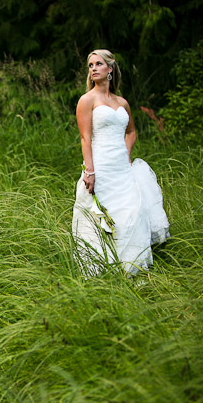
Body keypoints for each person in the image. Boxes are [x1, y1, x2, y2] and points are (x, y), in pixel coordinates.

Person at [72, 49, 170, 276]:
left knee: (131, 214)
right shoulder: (87, 100)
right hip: (101, 167)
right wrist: (90, 170)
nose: (93, 69)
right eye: (90, 65)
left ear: (110, 68)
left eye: (98, 64)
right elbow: (85, 138)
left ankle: (131, 268)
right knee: (104, 217)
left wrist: (126, 155)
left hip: (123, 169)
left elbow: (132, 132)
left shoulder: (122, 102)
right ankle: (101, 269)